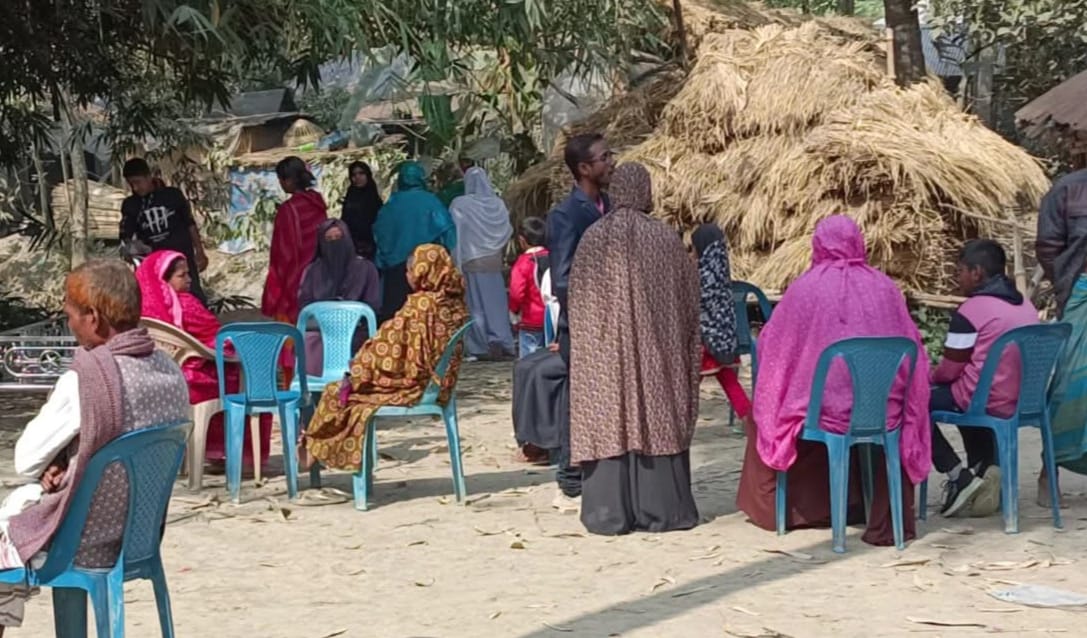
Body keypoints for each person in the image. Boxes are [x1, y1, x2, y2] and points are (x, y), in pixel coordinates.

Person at [0, 260, 190, 634]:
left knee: (6, 535)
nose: (68, 324)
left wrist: (54, 458)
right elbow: (121, 438)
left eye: (71, 314)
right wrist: (68, 455)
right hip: (137, 537)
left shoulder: (88, 379)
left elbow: (25, 460)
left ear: (94, 318)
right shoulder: (170, 370)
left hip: (81, 541)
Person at [739, 215, 931, 547]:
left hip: (825, 410)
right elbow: (912, 346)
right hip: (884, 408)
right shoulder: (885, 287)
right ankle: (864, 504)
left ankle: (786, 512)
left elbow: (776, 347)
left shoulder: (805, 289)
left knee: (770, 408)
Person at [569, 163, 701, 535]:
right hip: (657, 349)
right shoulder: (664, 239)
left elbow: (577, 302)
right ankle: (662, 511)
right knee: (656, 410)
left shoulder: (593, 238)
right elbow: (689, 300)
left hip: (604, 354)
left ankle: (609, 513)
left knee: (608, 411)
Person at [304, 244, 469, 470]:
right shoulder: (456, 303)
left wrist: (360, 368)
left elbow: (392, 350)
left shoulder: (421, 305)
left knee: (338, 392)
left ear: (422, 271)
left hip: (415, 385)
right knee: (347, 389)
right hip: (440, 385)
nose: (408, 276)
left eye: (411, 271)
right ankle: (313, 449)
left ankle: (311, 450)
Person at [136, 250, 273, 472]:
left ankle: (210, 452)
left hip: (161, 375)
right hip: (194, 378)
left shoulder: (146, 312)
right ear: (164, 278)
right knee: (250, 377)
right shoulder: (186, 304)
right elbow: (216, 336)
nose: (189, 279)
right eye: (182, 275)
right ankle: (245, 458)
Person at [931, 239, 1038, 517]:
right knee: (967, 388)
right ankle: (985, 466)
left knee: (910, 403)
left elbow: (950, 370)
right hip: (1023, 400)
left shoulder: (971, 311)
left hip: (984, 400)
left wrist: (930, 375)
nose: (959, 278)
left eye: (961, 271)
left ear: (977, 272)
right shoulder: (1026, 306)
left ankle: (958, 476)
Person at [545, 132, 615, 506]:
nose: (611, 162)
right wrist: (598, 307)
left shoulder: (614, 206)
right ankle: (570, 475)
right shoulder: (566, 214)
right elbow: (563, 279)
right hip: (584, 325)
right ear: (584, 168)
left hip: (613, 324)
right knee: (580, 399)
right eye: (604, 157)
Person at [1036, 157, 1087, 506]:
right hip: (1080, 295)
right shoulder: (1068, 190)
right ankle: (1048, 469)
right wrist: (1070, 284)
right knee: (1068, 384)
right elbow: (1048, 247)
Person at [373, 162, 457, 322]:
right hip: (427, 270)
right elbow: (448, 234)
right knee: (427, 319)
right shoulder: (432, 202)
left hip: (396, 271)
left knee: (397, 317)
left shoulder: (391, 205)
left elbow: (380, 236)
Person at [298, 219, 382, 377]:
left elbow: (373, 306)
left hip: (355, 334)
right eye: (328, 240)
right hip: (319, 333)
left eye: (339, 238)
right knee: (309, 342)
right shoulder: (312, 271)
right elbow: (304, 307)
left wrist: (347, 316)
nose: (334, 244)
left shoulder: (365, 269)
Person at [120, 158, 209, 304]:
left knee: (193, 297)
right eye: (131, 184)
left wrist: (199, 251)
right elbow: (126, 235)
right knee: (161, 302)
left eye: (138, 182)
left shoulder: (172, 195)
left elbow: (190, 224)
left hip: (182, 259)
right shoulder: (131, 205)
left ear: (149, 177)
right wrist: (131, 249)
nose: (135, 188)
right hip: (155, 265)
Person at [450, 166, 516, 359]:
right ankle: (502, 339)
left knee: (475, 304)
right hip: (493, 260)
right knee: (496, 302)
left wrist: (457, 261)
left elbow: (456, 233)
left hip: (471, 259)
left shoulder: (460, 204)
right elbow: (506, 230)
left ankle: (480, 345)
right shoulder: (498, 204)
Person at [692, 223, 751, 427]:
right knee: (729, 382)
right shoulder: (721, 274)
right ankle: (749, 423)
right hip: (724, 341)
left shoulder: (699, 276)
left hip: (704, 344)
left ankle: (678, 423)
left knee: (689, 388)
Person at [262, 156, 329, 329]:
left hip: (295, 276)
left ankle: (291, 356)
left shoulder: (288, 210)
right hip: (319, 274)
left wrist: (277, 283)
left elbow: (283, 252)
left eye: (281, 179)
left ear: (290, 180)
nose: (281, 184)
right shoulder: (317, 204)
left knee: (291, 330)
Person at [509, 217, 550, 358]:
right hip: (553, 319)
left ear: (522, 240)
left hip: (530, 320)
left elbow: (516, 293)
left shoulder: (523, 263)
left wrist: (514, 312)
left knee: (529, 362)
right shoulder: (554, 257)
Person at [340, 161, 383, 259]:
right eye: (354, 175)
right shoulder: (350, 196)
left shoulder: (374, 198)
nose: (357, 177)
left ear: (368, 175)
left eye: (361, 173)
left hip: (374, 248)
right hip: (352, 248)